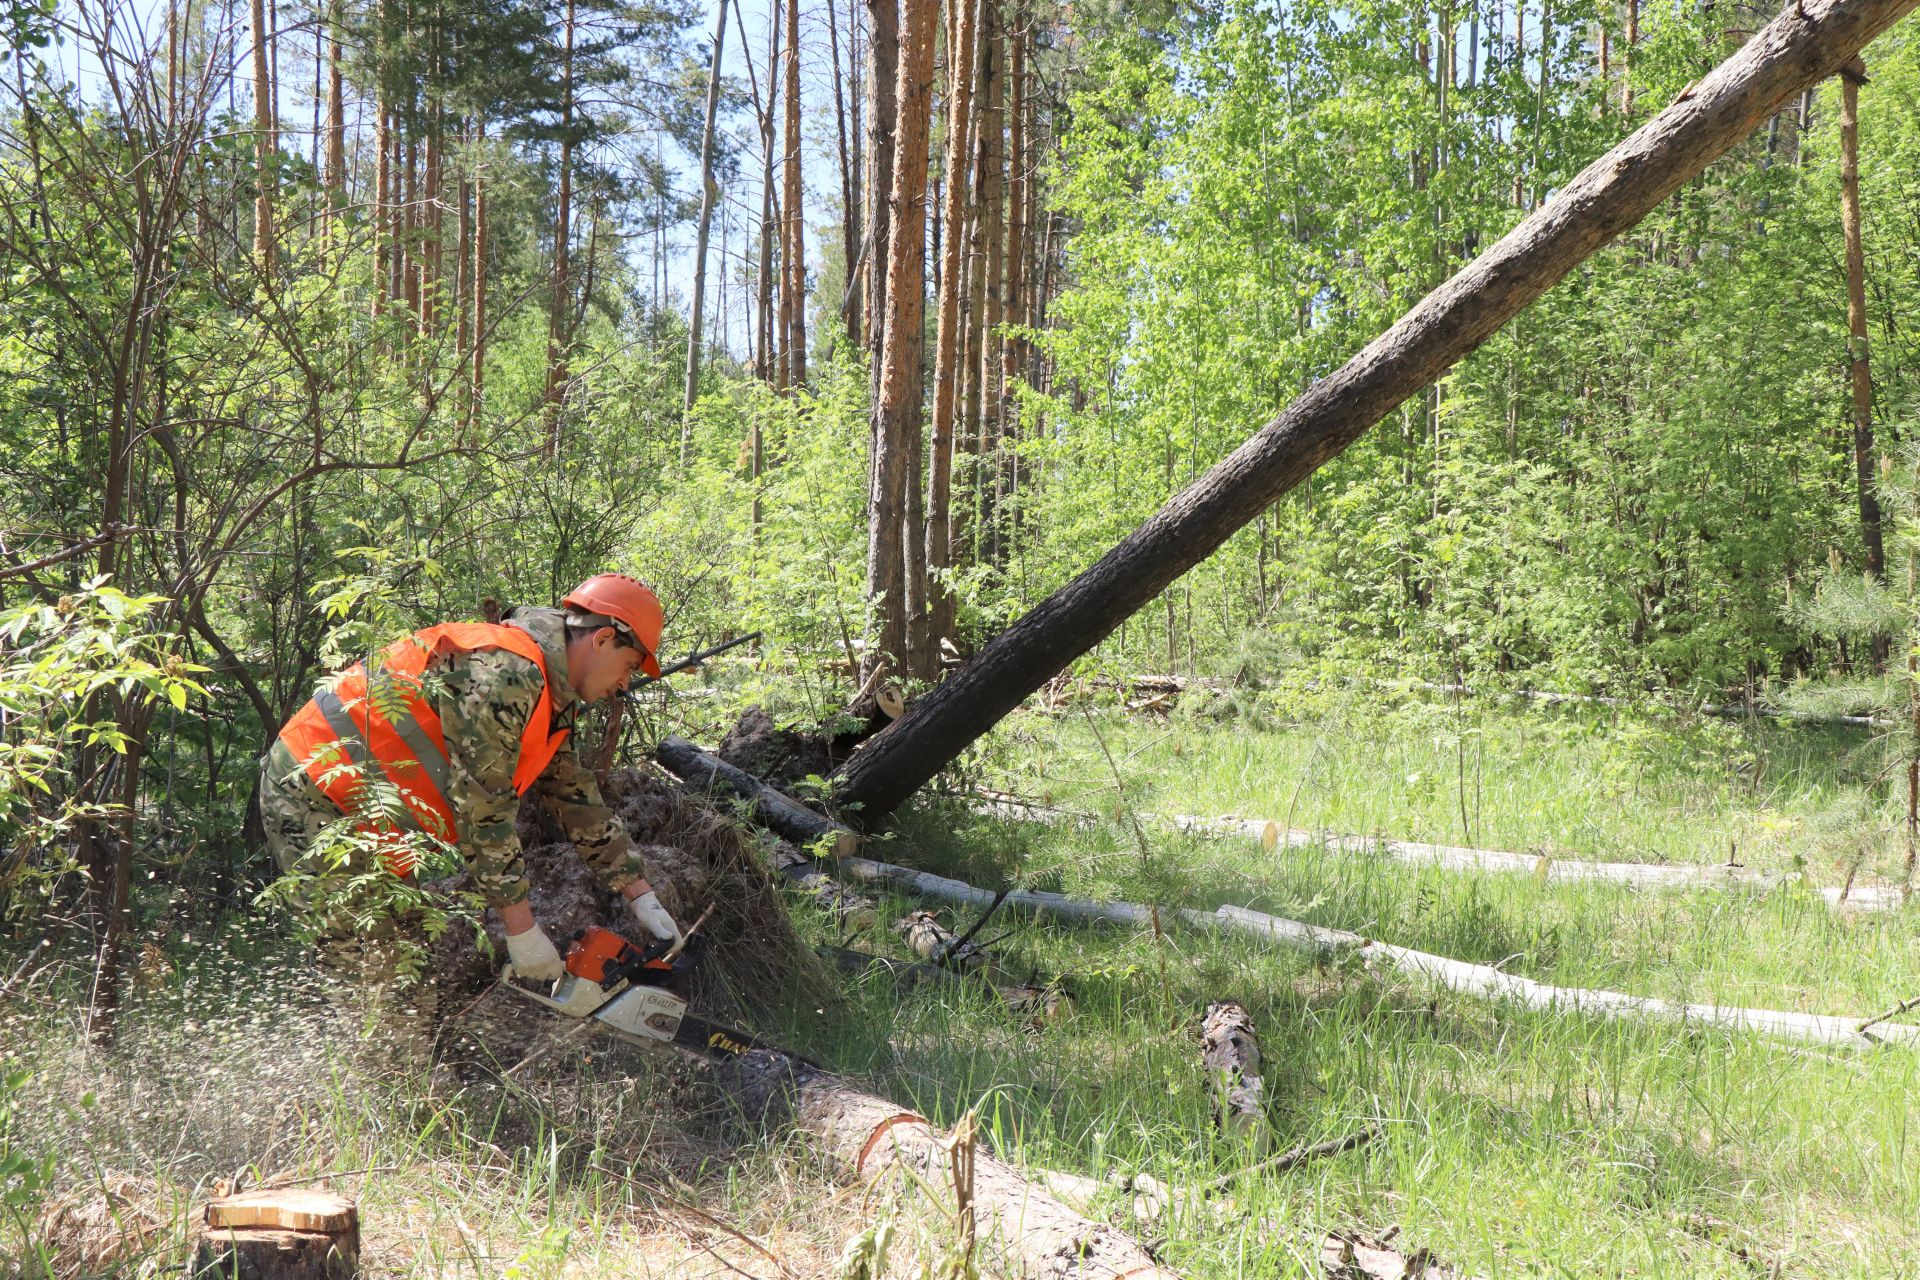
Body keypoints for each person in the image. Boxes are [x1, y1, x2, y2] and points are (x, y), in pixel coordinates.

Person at [258, 573, 682, 982]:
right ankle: (356, 1055)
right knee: (383, 977)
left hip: (369, 812)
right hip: (315, 792)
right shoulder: (506, 673)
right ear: (604, 639)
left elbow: (575, 797)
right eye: (629, 665)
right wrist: (521, 930)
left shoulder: (550, 692)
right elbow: (482, 806)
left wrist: (639, 893)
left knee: (408, 963)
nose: (625, 683)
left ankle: (397, 1052)